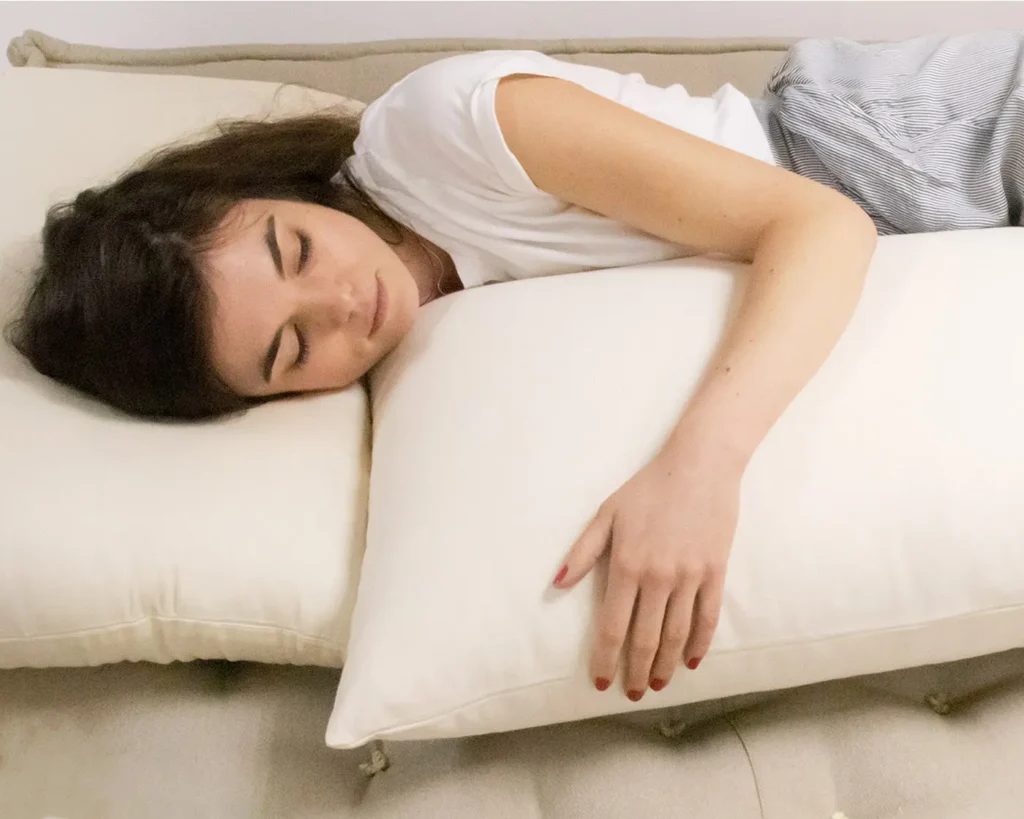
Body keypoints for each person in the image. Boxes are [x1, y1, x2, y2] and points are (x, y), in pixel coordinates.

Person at [7, 32, 1022, 704]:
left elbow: (818, 223)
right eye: (289, 350)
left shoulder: (441, 128)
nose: (341, 305)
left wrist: (698, 471)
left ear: (266, 187)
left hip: (901, 139)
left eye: (295, 248)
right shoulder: (432, 351)